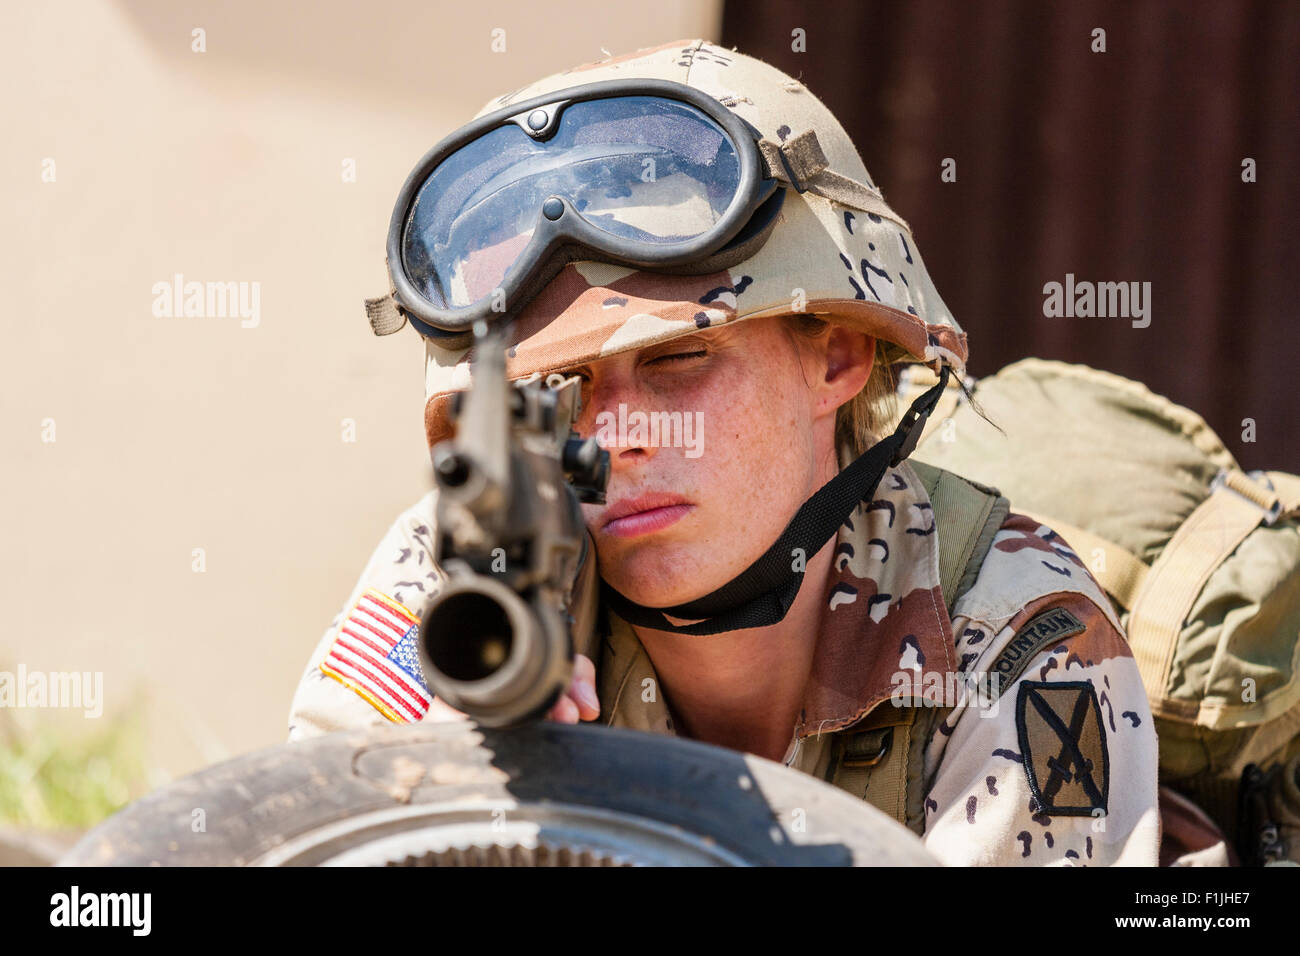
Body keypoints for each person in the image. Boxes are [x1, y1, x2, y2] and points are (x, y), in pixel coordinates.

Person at [288, 38, 1159, 866]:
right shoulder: (471, 578)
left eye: (678, 360)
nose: (618, 433)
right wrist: (438, 813)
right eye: (561, 393)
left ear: (837, 358)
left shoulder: (1015, 642)